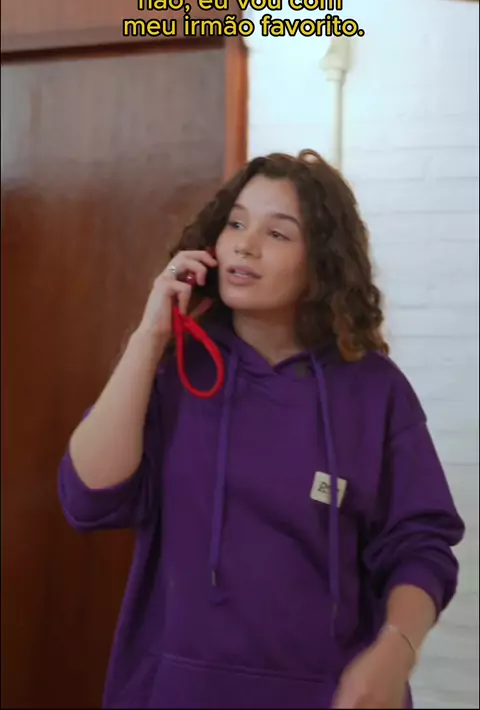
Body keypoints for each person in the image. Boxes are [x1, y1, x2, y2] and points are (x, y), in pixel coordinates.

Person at [58, 150, 465, 710]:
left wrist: (397, 650)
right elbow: (87, 498)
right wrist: (150, 336)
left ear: (321, 261)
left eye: (277, 233)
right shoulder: (176, 373)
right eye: (235, 224)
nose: (245, 246)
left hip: (329, 695)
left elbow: (421, 545)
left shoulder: (374, 390)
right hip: (174, 691)